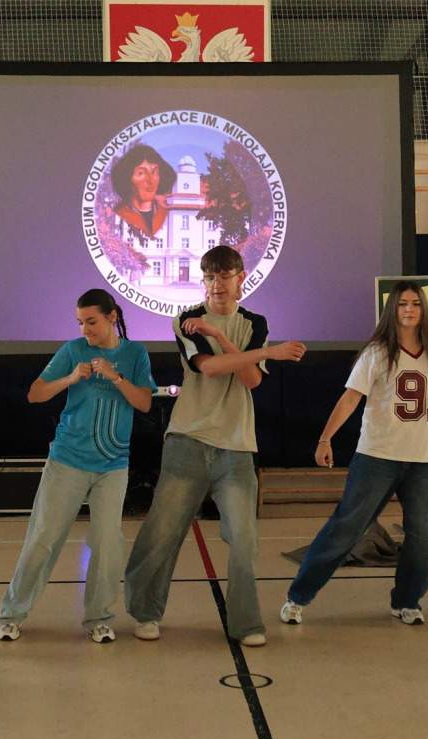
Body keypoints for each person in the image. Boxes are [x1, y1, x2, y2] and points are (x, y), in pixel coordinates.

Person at [124, 245, 306, 646]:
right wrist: (268, 353)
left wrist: (221, 335)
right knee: (162, 532)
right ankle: (145, 612)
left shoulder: (254, 323)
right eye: (209, 277)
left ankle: (246, 623)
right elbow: (208, 368)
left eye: (224, 276)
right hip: (187, 439)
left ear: (241, 279)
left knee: (244, 538)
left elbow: (251, 380)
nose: (216, 285)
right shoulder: (188, 320)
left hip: (236, 446)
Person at [281, 283, 428, 627]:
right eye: (403, 303)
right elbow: (351, 397)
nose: (409, 309)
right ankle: (297, 597)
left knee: (423, 537)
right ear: (392, 309)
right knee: (346, 529)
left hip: (423, 460)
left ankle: (407, 601)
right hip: (377, 457)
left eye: (416, 304)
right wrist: (325, 438)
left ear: (423, 310)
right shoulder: (377, 352)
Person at [0, 289, 156, 644]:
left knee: (107, 543)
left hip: (113, 466)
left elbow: (144, 403)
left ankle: (99, 618)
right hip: (67, 461)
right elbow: (35, 393)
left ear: (112, 317)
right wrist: (69, 379)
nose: (85, 330)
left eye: (92, 322)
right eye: (81, 323)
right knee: (43, 539)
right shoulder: (73, 350)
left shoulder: (136, 354)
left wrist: (115, 377)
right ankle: (11, 614)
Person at [110, 144, 177, 240]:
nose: (151, 180)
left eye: (154, 172)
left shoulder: (163, 211)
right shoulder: (120, 212)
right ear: (128, 178)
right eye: (141, 173)